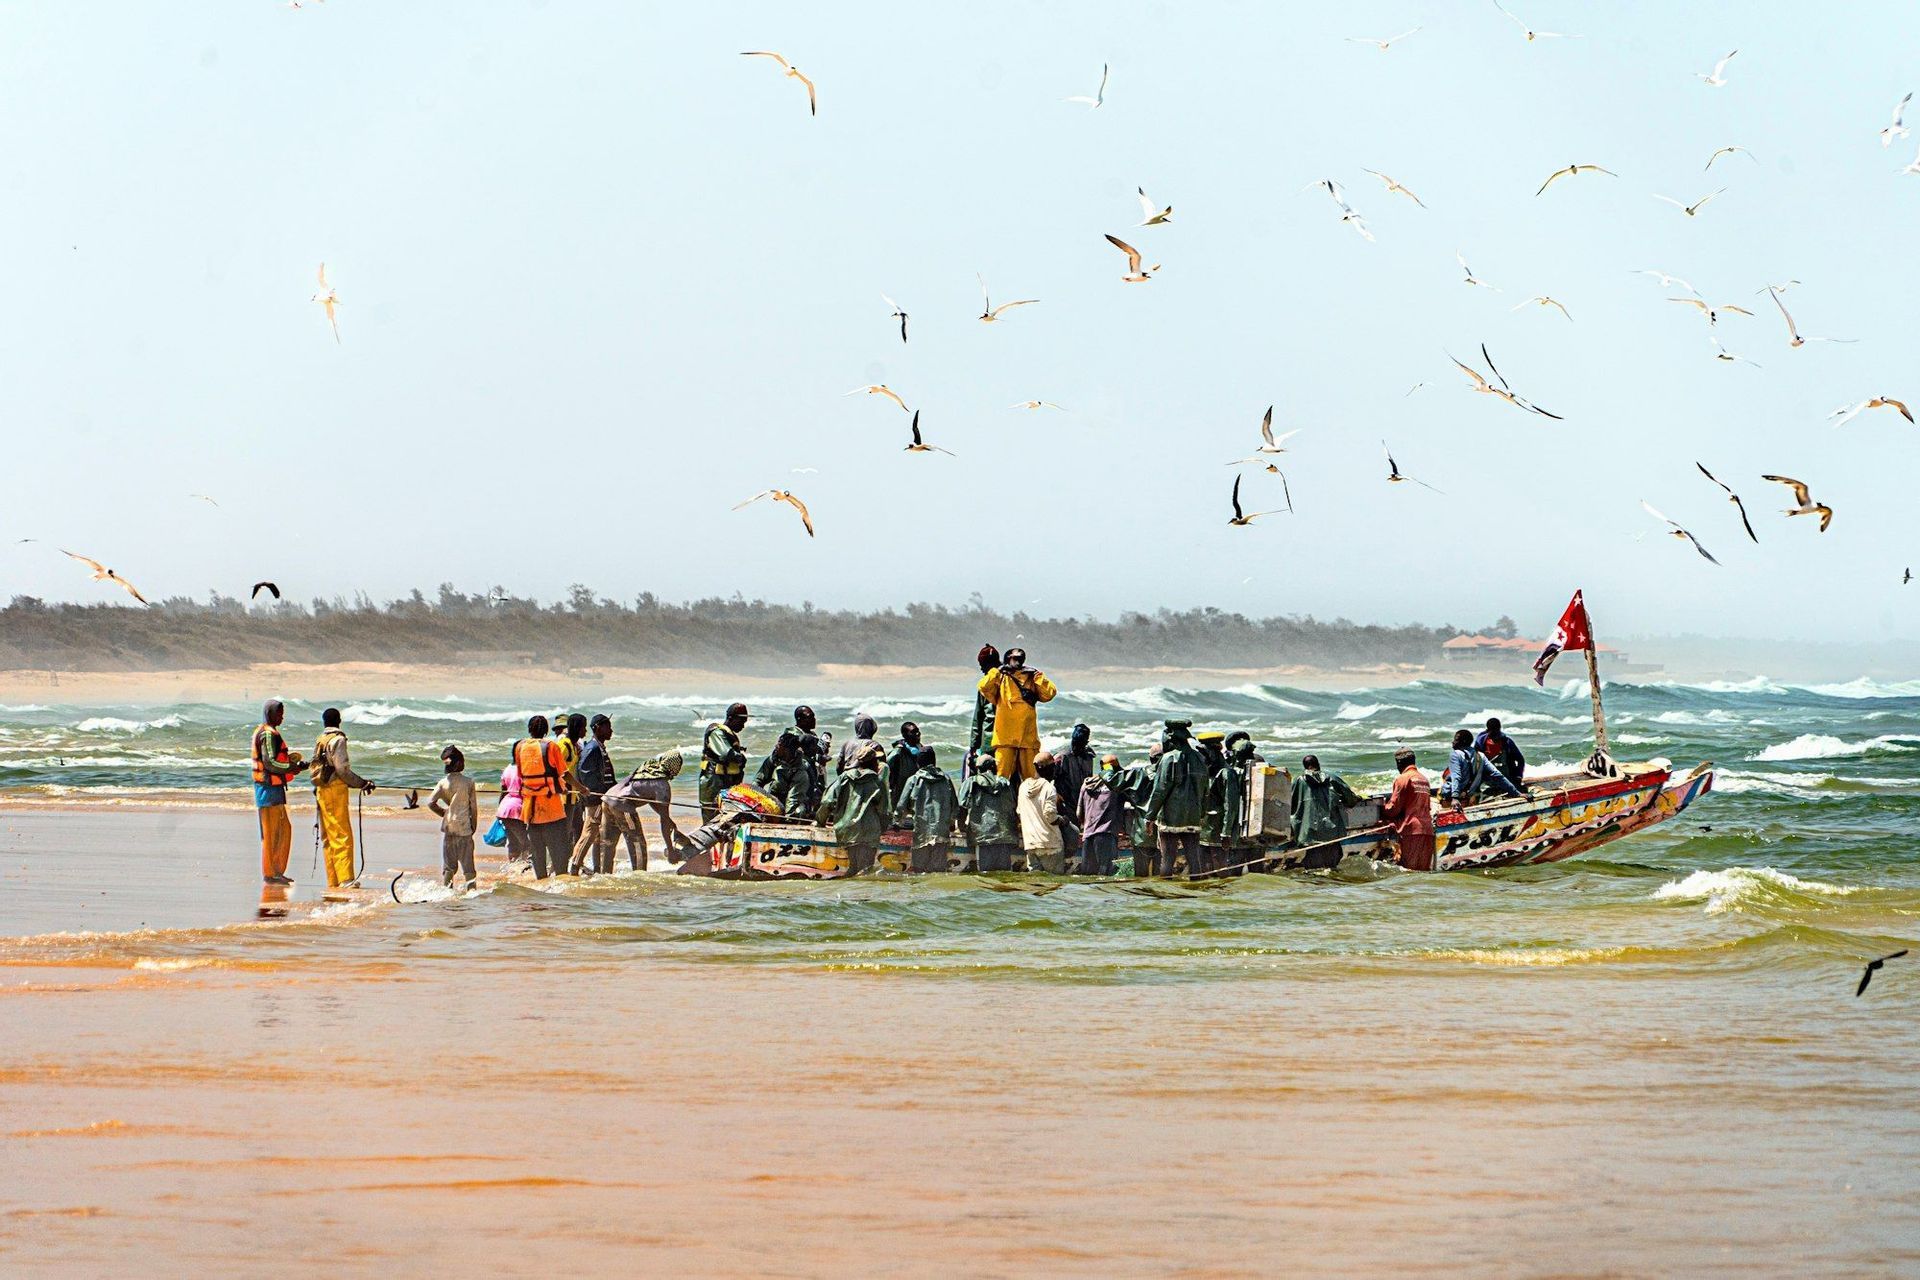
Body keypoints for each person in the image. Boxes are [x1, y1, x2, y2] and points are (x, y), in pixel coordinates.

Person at [312, 707, 375, 889]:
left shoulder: (321, 739)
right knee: (342, 834)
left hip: (321, 791)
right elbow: (342, 770)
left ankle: (334, 880)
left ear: (324, 722)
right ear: (339, 721)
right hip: (334, 791)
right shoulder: (338, 740)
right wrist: (362, 783)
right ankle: (346, 879)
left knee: (328, 836)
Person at [977, 647, 1058, 782]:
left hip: (1028, 739)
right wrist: (997, 671)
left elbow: (1049, 693)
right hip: (1005, 739)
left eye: (1021, 659)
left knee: (1032, 780)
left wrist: (1037, 675)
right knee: (1001, 779)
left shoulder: (1031, 677)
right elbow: (983, 687)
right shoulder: (1001, 677)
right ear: (1007, 659)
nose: (1018, 663)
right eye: (1015, 659)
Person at [251, 699, 308, 885]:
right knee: (272, 833)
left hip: (272, 789)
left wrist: (292, 767)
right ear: (270, 714)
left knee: (281, 830)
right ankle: (271, 873)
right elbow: (270, 763)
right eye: (279, 714)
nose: (282, 717)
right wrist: (291, 767)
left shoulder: (267, 732)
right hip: (268, 790)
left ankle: (275, 871)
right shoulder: (268, 735)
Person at [570, 714, 635, 875]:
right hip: (596, 799)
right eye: (608, 727)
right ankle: (574, 865)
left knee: (597, 833)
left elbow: (606, 777)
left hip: (601, 798)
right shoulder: (592, 748)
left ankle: (597, 869)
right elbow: (585, 774)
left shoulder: (599, 747)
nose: (611, 731)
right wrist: (600, 795)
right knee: (590, 831)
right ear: (598, 728)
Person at [815, 741, 892, 875]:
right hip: (869, 831)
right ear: (873, 763)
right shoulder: (877, 782)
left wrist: (820, 822)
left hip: (847, 830)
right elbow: (885, 811)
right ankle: (860, 894)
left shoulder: (844, 778)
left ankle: (850, 892)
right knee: (865, 870)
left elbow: (827, 802)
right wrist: (882, 829)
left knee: (854, 867)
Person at [511, 715, 571, 879]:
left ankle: (541, 885)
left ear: (529, 730)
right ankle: (559, 885)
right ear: (546, 731)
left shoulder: (519, 747)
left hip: (530, 809)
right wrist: (582, 789)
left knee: (537, 852)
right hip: (552, 809)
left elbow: (520, 774)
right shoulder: (551, 747)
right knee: (559, 851)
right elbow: (564, 774)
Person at [603, 750, 683, 870]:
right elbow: (664, 822)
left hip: (607, 800)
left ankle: (604, 874)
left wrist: (670, 821)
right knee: (637, 843)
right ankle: (639, 874)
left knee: (608, 842)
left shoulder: (648, 769)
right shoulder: (662, 786)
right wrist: (670, 850)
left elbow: (648, 797)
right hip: (623, 807)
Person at [1145, 721, 1206, 876]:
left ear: (1171, 740)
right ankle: (1196, 891)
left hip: (1170, 818)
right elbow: (1206, 789)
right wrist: (1201, 813)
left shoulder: (1168, 759)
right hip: (1193, 815)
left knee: (1167, 859)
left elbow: (1159, 791)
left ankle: (1166, 897)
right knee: (1194, 859)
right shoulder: (1199, 758)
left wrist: (1150, 816)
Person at [895, 746, 959, 873]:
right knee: (938, 871)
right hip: (941, 831)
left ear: (918, 763)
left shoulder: (914, 779)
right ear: (934, 761)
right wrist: (952, 824)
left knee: (919, 870)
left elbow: (901, 806)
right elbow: (955, 806)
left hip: (921, 832)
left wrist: (897, 822)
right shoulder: (946, 779)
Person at [957, 750, 1019, 872]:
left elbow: (962, 807)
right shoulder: (1005, 782)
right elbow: (1014, 807)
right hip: (1004, 837)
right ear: (993, 767)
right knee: (1004, 876)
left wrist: (962, 827)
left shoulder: (970, 783)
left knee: (986, 876)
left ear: (978, 768)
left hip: (983, 837)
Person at [1207, 732, 1260, 875]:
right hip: (1259, 829)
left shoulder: (1231, 772)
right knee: (1258, 871)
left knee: (1233, 872)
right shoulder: (1261, 765)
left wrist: (1226, 832)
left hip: (1239, 831)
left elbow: (1230, 805)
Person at [428, 745, 479, 890]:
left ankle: (446, 893)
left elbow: (430, 803)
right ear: (460, 763)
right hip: (464, 828)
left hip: (449, 828)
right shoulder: (468, 782)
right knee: (469, 868)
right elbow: (473, 807)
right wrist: (473, 825)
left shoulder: (443, 783)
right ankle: (472, 894)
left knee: (449, 867)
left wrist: (444, 813)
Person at [1381, 748, 1436, 871]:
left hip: (1411, 832)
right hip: (1427, 830)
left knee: (1409, 872)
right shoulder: (1424, 780)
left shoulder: (1403, 779)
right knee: (1422, 872)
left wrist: (1380, 808)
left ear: (1399, 763)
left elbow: (1393, 809)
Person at [1291, 754, 1363, 848]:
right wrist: (1358, 798)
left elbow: (1290, 804)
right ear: (1318, 764)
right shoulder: (1332, 778)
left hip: (1307, 835)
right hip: (1332, 834)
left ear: (1305, 767)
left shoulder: (1298, 781)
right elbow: (1350, 799)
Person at [1443, 728, 1522, 810]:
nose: (1453, 742)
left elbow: (1456, 777)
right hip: (1466, 796)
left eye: (1456, 740)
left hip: (1451, 798)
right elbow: (1497, 775)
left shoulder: (1455, 754)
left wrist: (1455, 798)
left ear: (1462, 742)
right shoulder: (1480, 756)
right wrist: (1516, 793)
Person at [1113, 746, 1160, 877]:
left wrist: (1105, 770)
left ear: (1150, 759)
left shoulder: (1140, 774)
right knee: (1161, 875)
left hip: (1142, 834)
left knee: (1140, 876)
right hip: (1164, 834)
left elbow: (1115, 781)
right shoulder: (1172, 775)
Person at [1076, 753, 1126, 876]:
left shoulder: (1087, 783)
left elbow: (1078, 813)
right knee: (1106, 876)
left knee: (1088, 876)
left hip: (1088, 836)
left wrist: (1088, 825)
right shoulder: (1117, 784)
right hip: (1106, 836)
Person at [1053, 723, 1097, 864]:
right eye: (1077, 743)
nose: (1080, 746)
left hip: (1084, 801)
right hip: (1066, 802)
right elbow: (1049, 778)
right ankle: (1067, 859)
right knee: (1070, 833)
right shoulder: (1062, 757)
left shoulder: (1088, 756)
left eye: (1084, 743)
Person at [1017, 751, 1066, 874]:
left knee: (1036, 886)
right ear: (1049, 769)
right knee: (1053, 886)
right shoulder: (1049, 788)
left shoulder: (1023, 787)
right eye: (1053, 767)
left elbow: (1019, 812)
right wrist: (1063, 820)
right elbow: (1050, 815)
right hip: (1050, 845)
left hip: (1031, 845)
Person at [700, 703, 750, 822]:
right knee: (712, 819)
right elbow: (725, 754)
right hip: (713, 784)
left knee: (727, 818)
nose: (743, 726)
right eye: (741, 721)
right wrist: (740, 757)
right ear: (731, 718)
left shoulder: (727, 734)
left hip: (726, 783)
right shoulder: (716, 732)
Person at [752, 730, 810, 818]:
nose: (776, 746)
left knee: (798, 812)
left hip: (792, 804)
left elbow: (793, 800)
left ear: (786, 750)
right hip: (773, 800)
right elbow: (758, 780)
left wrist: (787, 818)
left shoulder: (801, 772)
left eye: (779, 745)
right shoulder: (773, 760)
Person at [1195, 730, 1229, 875]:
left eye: (1205, 754)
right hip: (1203, 829)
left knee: (1220, 868)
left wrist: (1226, 833)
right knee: (1204, 868)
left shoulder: (1226, 773)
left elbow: (1231, 805)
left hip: (1218, 828)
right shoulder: (1204, 773)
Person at [965, 644, 1002, 776]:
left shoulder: (985, 685)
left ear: (991, 664)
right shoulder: (1012, 680)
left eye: (982, 664)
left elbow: (978, 717)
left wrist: (973, 746)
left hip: (989, 742)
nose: (981, 668)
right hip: (1010, 742)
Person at [791, 705, 828, 819]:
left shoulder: (812, 735)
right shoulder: (793, 734)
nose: (813, 719)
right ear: (799, 719)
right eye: (809, 717)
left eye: (814, 716)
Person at [558, 713, 589, 850]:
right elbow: (562, 772)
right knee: (564, 832)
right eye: (584, 728)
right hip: (565, 796)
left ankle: (574, 861)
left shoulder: (575, 746)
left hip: (574, 796)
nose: (585, 731)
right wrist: (581, 787)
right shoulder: (564, 746)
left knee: (579, 829)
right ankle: (557, 866)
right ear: (577, 728)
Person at [1474, 717, 1527, 787]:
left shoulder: (1507, 743)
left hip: (1506, 778)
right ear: (1487, 730)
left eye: (1497, 731)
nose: (1496, 736)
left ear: (1499, 729)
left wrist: (1518, 776)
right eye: (1493, 732)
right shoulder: (1480, 743)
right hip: (1487, 779)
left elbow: (1520, 759)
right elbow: (1475, 762)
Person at [496, 760, 530, 866]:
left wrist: (499, 810)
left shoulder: (508, 768)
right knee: (527, 843)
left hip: (504, 808)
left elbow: (503, 791)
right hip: (518, 809)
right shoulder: (525, 770)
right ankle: (525, 868)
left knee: (513, 842)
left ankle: (512, 866)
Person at [884, 720, 924, 812]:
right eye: (913, 732)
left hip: (915, 787)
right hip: (899, 787)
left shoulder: (920, 748)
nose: (918, 734)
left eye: (918, 731)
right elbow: (886, 768)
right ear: (904, 735)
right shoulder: (898, 752)